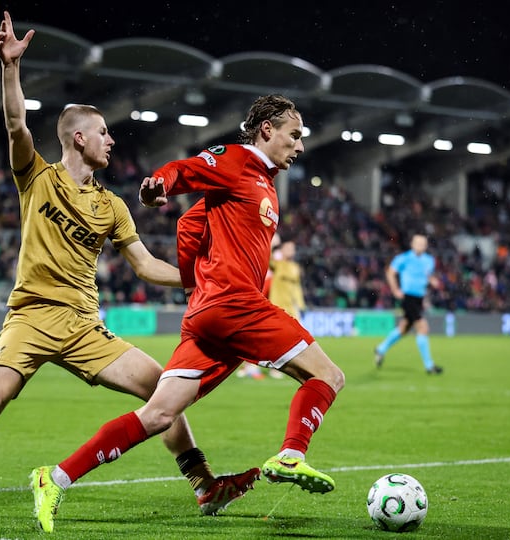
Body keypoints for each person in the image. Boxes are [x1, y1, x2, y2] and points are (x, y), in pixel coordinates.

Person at [0, 11, 258, 523]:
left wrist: (200, 278)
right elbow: (15, 123)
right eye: (104, 133)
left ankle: (206, 486)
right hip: (29, 317)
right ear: (79, 139)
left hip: (82, 325)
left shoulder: (112, 205)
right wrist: (10, 69)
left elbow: (143, 264)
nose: (111, 141)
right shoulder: (37, 177)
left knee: (164, 389)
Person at [32, 94, 346, 533]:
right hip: (235, 305)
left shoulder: (261, 183)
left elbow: (189, 225)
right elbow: (185, 168)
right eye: (294, 135)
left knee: (160, 414)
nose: (300, 146)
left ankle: (55, 477)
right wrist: (159, 184)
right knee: (327, 376)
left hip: (210, 317)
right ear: (267, 130)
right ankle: (292, 454)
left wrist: (193, 285)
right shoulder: (237, 160)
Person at [373, 233, 443, 374]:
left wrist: (432, 281)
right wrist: (395, 289)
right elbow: (390, 273)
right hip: (408, 297)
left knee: (404, 328)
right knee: (423, 328)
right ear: (412, 244)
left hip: (419, 298)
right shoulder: (403, 258)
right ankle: (429, 366)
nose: (420, 246)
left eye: (423, 244)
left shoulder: (429, 260)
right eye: (418, 243)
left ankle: (381, 348)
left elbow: (426, 274)